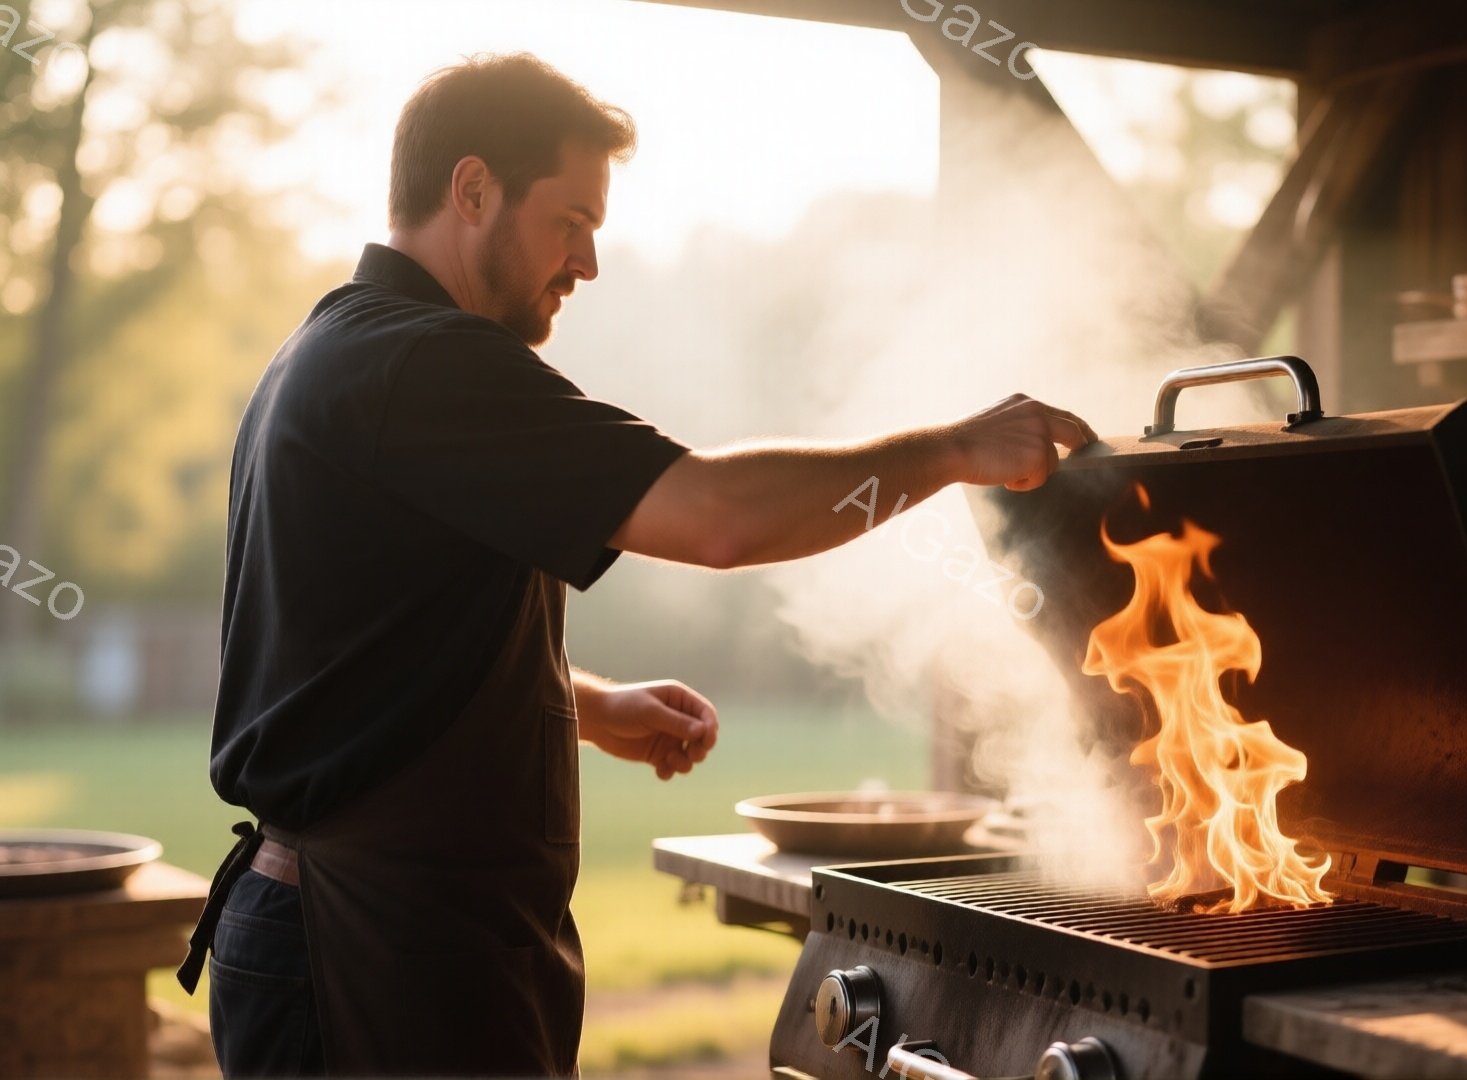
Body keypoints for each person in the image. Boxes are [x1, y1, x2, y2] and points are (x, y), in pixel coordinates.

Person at [174, 52, 1096, 1077]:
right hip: (371, 947)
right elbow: (715, 518)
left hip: (383, 930)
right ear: (473, 189)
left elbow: (353, 651)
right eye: (571, 221)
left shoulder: (336, 350)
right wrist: (949, 450)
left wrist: (585, 704)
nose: (588, 263)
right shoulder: (421, 364)